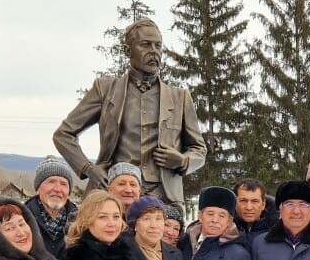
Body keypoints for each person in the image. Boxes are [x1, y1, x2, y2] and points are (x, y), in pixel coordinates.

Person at [54, 18, 206, 207]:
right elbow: (63, 135)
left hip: (163, 197)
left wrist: (183, 161)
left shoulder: (180, 97)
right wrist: (88, 169)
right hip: (113, 193)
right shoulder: (105, 90)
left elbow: (199, 149)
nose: (154, 52)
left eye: (158, 46)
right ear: (128, 51)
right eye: (145, 45)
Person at [26, 156, 80, 260]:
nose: (57, 189)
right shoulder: (21, 219)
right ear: (38, 188)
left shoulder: (82, 222)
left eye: (64, 184)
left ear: (68, 193)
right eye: (51, 182)